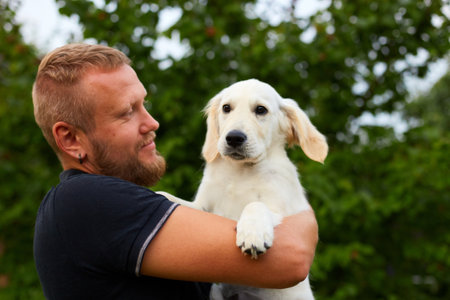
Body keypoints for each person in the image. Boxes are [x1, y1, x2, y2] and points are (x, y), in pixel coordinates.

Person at [32, 43, 318, 299]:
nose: (152, 122)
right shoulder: (85, 201)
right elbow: (292, 256)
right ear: (71, 139)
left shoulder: (102, 211)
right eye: (127, 112)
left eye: (145, 104)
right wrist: (297, 207)